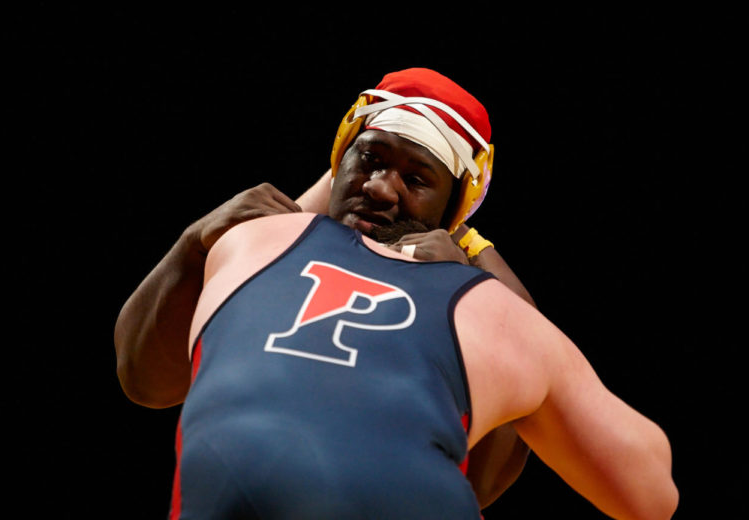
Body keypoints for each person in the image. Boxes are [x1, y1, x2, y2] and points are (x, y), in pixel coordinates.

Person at [115, 69, 678, 519]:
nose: (382, 188)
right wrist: (479, 271)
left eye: (415, 179)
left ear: (450, 212)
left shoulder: (252, 241)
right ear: (343, 161)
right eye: (372, 161)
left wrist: (197, 239)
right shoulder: (496, 317)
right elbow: (652, 497)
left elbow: (145, 383)